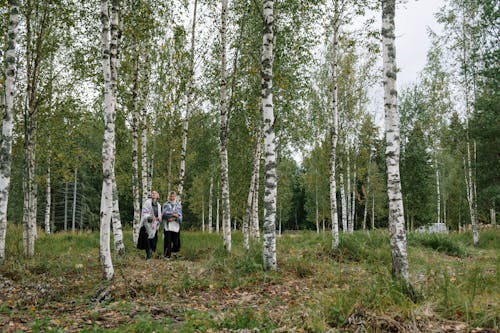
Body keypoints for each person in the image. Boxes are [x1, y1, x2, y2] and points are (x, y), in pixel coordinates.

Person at [137, 191, 162, 259]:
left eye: (155, 193)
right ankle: (148, 254)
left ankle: (151, 252)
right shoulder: (147, 202)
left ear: (158, 196)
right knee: (147, 240)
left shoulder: (159, 205)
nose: (153, 194)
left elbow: (159, 214)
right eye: (152, 193)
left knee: (153, 241)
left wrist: (159, 218)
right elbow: (144, 212)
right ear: (151, 195)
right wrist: (150, 217)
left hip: (154, 224)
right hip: (147, 224)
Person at [162, 191, 182, 259]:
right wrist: (174, 214)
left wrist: (174, 218)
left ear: (175, 197)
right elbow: (164, 214)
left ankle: (174, 253)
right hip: (167, 226)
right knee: (167, 242)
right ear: (169, 197)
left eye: (173, 196)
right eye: (171, 196)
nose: (172, 198)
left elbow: (180, 217)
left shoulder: (178, 205)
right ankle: (167, 256)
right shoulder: (165, 204)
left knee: (176, 243)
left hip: (176, 226)